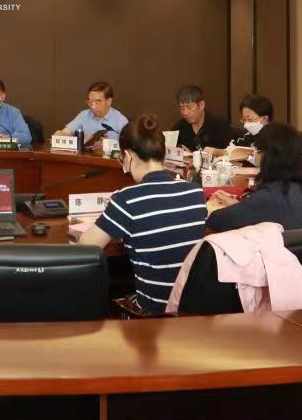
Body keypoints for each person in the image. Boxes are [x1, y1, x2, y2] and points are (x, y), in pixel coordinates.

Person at [77, 115, 206, 316]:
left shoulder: (127, 199)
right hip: (190, 309)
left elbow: (86, 248)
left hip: (153, 313)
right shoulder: (195, 192)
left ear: (128, 156)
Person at [205, 122, 302, 234]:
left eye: (257, 151)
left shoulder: (269, 195)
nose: (255, 156)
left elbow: (215, 221)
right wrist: (240, 206)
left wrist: (234, 208)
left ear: (265, 155)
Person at [55, 81, 129, 151]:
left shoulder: (121, 121)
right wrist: (62, 135)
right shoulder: (84, 115)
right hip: (86, 159)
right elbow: (64, 133)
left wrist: (110, 145)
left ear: (109, 101)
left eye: (98, 101)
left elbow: (129, 150)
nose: (93, 106)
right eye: (90, 101)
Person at [170, 85, 234, 152]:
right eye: (182, 108)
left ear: (201, 105)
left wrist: (217, 152)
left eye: (189, 107)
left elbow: (231, 153)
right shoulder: (180, 127)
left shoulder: (220, 125)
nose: (185, 113)